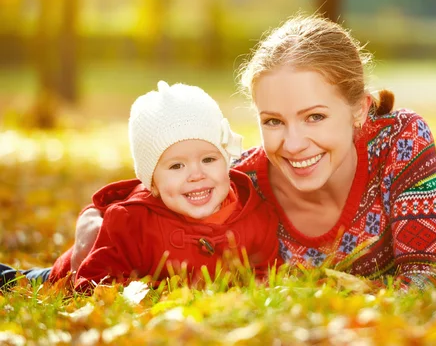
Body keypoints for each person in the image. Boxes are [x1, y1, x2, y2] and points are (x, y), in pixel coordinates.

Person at [2, 14, 436, 290]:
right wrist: (93, 223)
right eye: (273, 122)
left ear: (360, 111)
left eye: (315, 117)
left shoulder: (400, 141)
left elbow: (428, 278)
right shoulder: (243, 186)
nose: (294, 143)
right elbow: (154, 221)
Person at [1, 81, 279, 290]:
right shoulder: (131, 222)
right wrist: (153, 292)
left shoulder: (254, 214)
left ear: (227, 159)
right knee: (25, 280)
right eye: (176, 166)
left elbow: (265, 271)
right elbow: (93, 282)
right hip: (71, 270)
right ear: (153, 182)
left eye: (208, 159)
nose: (196, 174)